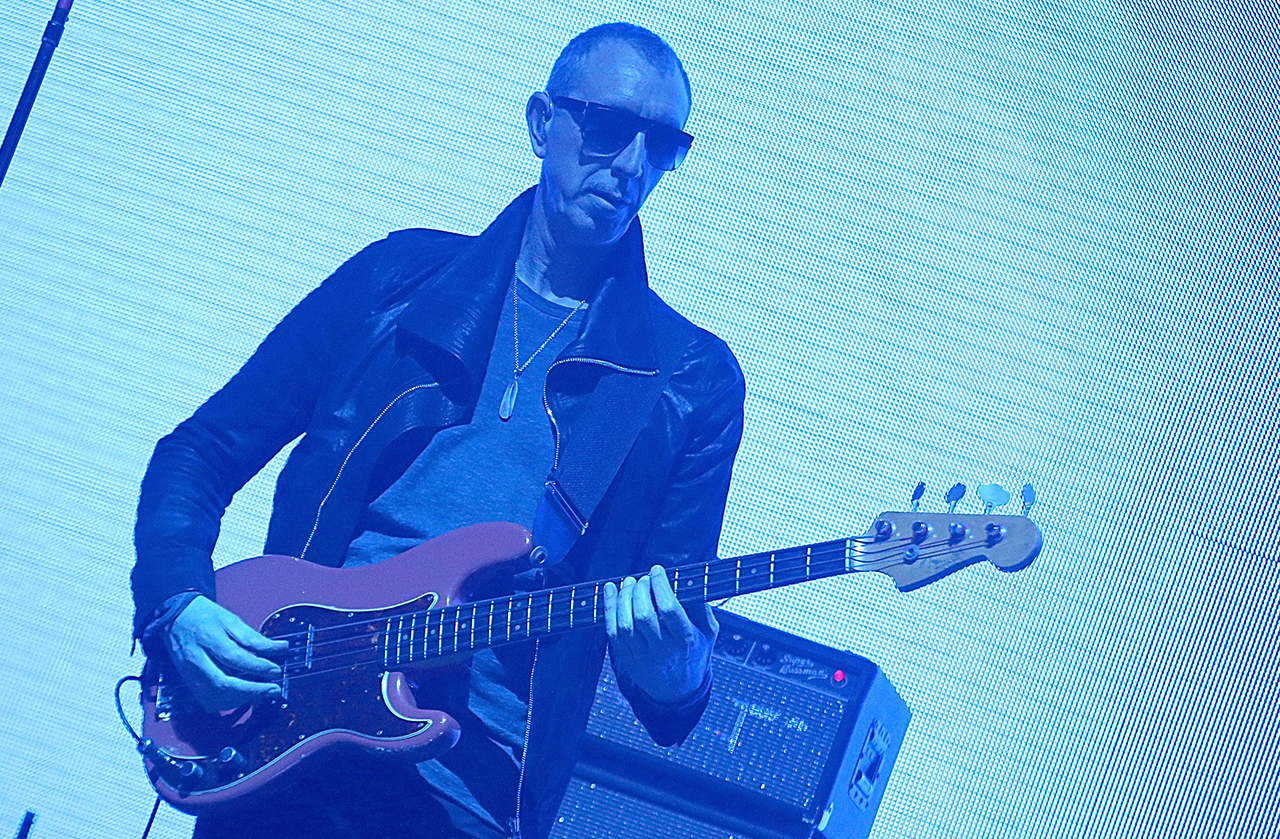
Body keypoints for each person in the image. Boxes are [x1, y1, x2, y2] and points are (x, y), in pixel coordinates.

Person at [130, 22, 745, 839]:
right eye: (607, 127)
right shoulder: (396, 282)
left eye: (662, 144)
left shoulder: (688, 381)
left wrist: (678, 671)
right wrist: (177, 603)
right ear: (542, 123)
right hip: (280, 732)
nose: (632, 164)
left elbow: (667, 674)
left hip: (467, 793)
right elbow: (200, 451)